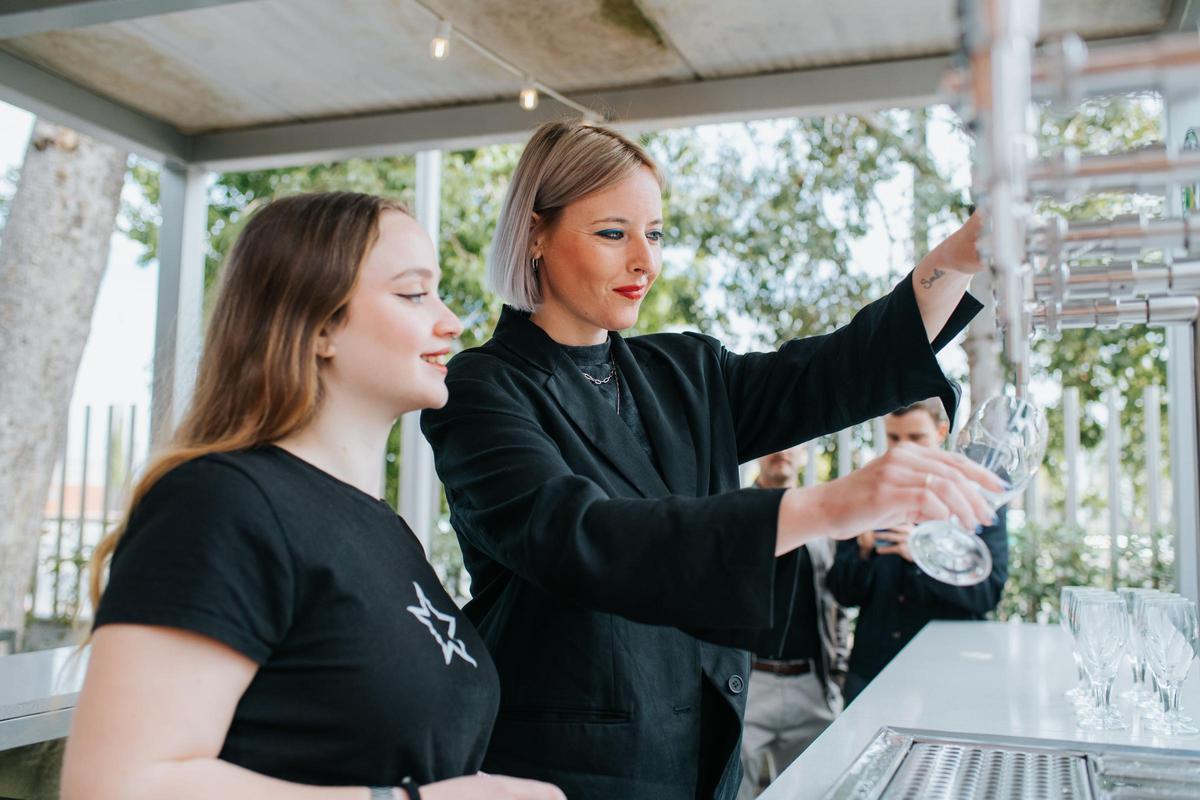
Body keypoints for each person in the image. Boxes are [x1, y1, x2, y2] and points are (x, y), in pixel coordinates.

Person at [420, 119, 1002, 800]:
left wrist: (962, 254)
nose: (646, 261)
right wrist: (827, 506)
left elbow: (838, 370)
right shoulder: (480, 388)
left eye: (655, 233)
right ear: (535, 235)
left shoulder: (687, 373)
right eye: (614, 233)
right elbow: (582, 538)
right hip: (568, 771)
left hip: (702, 757)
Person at [61, 192, 563, 800]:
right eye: (413, 293)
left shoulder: (382, 528)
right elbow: (115, 785)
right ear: (320, 325)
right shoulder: (219, 504)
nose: (451, 321)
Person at [826, 399, 1009, 704]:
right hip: (873, 672)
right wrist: (862, 548)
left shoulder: (976, 496)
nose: (903, 450)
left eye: (916, 438)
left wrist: (927, 553)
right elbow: (842, 592)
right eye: (894, 438)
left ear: (941, 431)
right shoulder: (866, 492)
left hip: (951, 674)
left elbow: (988, 593)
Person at [738, 446, 848, 799]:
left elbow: (838, 602)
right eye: (773, 444)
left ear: (806, 452)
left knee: (821, 791)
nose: (782, 451)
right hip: (749, 685)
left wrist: (838, 671)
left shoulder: (824, 516)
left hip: (811, 686)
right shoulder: (732, 511)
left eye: (793, 443)